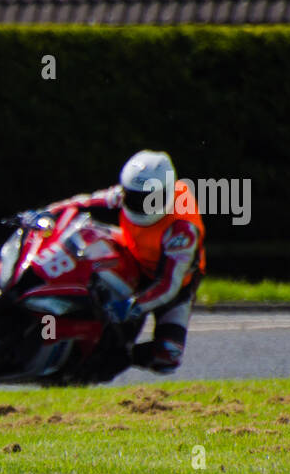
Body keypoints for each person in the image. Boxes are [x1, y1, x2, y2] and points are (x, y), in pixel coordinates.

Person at [39, 150, 205, 373]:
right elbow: (83, 202)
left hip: (175, 282)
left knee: (168, 356)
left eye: (147, 200)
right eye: (133, 196)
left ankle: (116, 358)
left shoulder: (182, 229)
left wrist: (132, 307)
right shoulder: (125, 195)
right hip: (131, 255)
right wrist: (45, 213)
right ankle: (53, 320)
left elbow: (167, 285)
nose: (138, 204)